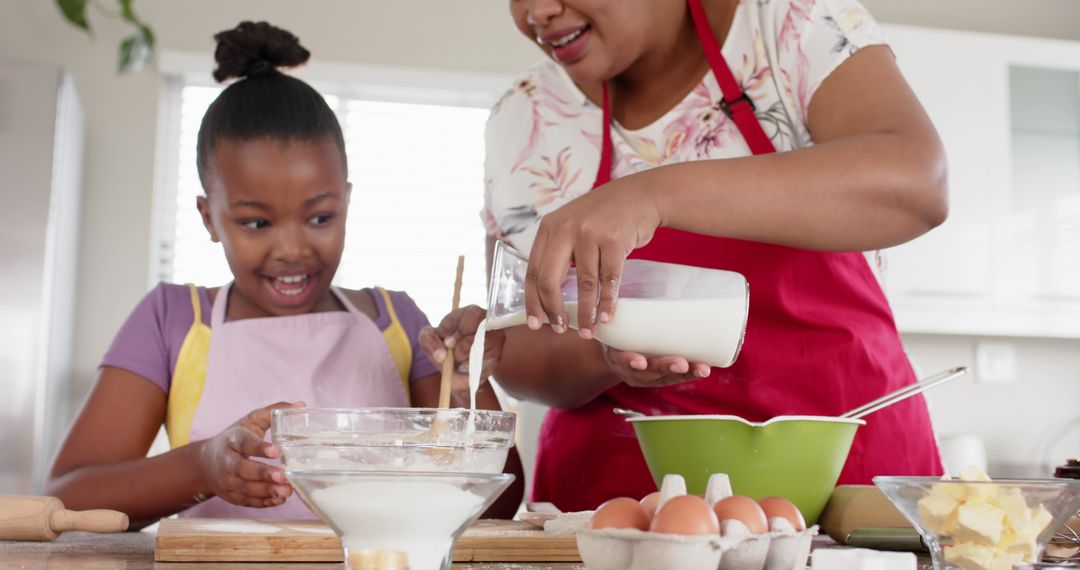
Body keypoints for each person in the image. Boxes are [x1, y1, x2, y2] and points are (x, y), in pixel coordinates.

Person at [421, 0, 948, 512]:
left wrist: (652, 196)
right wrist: (605, 356)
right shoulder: (525, 117)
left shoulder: (788, 22)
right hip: (619, 509)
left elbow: (918, 184)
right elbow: (521, 350)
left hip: (842, 485)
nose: (536, 12)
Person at [46, 21, 523, 527]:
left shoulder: (401, 324)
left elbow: (497, 506)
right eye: (256, 222)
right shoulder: (172, 321)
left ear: (347, 201)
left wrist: (467, 389)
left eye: (320, 217)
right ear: (210, 218)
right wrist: (204, 466)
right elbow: (67, 497)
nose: (292, 249)